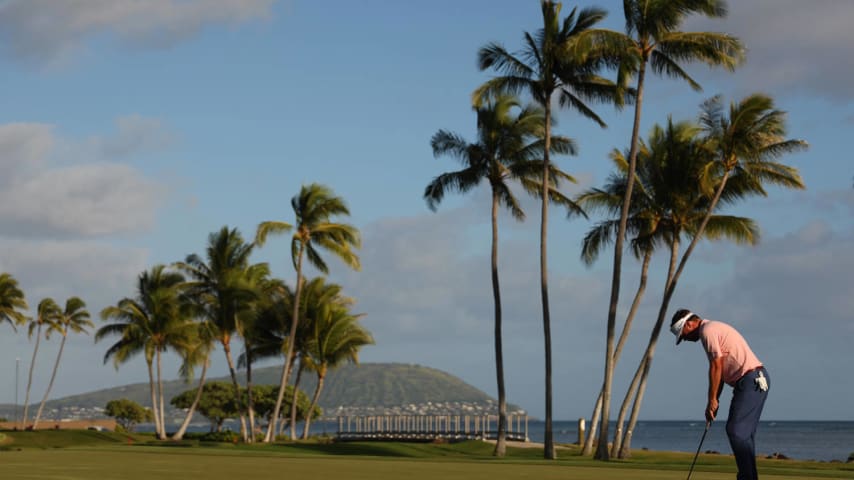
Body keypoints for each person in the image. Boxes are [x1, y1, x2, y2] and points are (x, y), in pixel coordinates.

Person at [671, 309, 769, 480]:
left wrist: (711, 401)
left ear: (688, 324)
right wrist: (714, 401)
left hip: (750, 380)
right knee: (745, 435)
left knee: (736, 431)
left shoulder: (707, 331)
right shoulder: (711, 329)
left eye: (683, 334)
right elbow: (721, 372)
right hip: (755, 380)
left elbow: (716, 366)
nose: (684, 339)